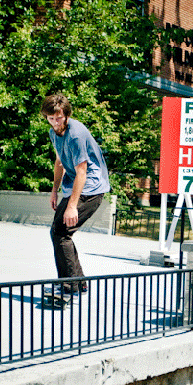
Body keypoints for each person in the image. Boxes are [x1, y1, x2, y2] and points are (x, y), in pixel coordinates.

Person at [42, 93, 111, 294]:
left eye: (59, 118)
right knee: (59, 232)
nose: (56, 123)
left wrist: (72, 206)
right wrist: (54, 191)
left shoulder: (76, 135)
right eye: (51, 118)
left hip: (91, 188)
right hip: (77, 186)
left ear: (67, 115)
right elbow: (59, 162)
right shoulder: (54, 133)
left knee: (61, 232)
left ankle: (69, 285)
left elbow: (82, 171)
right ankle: (78, 282)